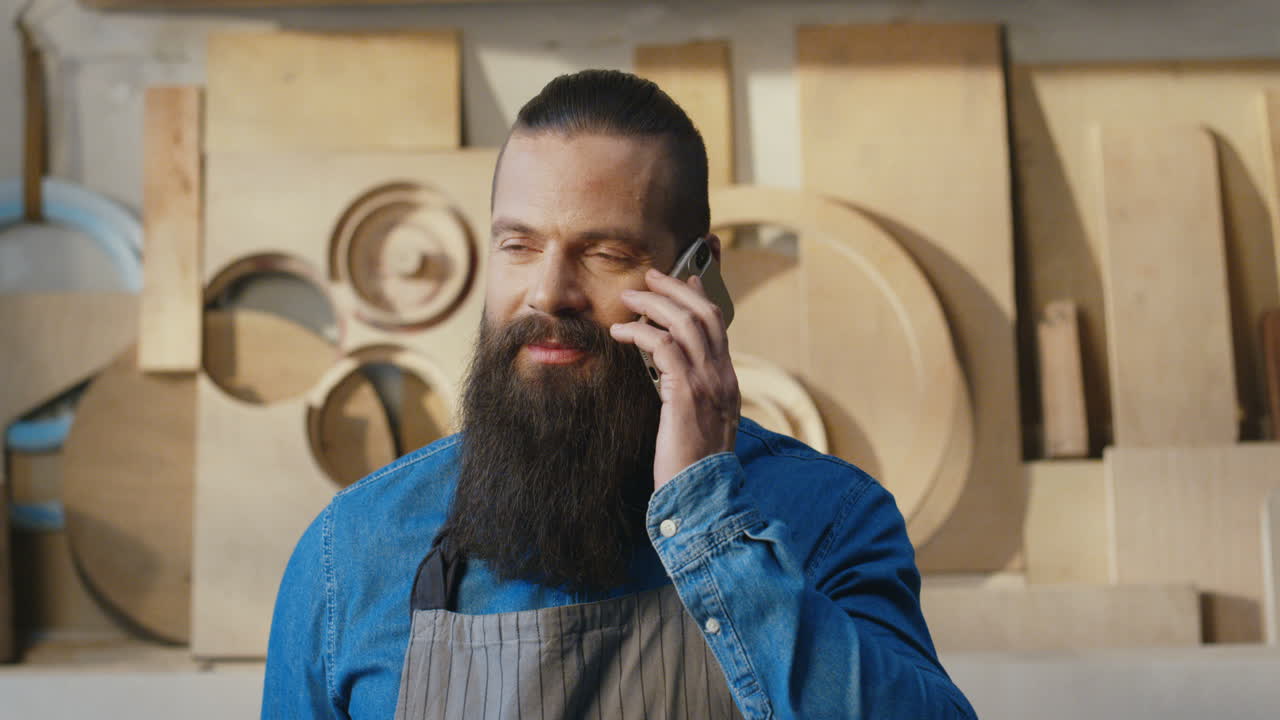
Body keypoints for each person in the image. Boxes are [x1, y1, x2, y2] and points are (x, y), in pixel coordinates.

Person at [262, 69, 976, 720]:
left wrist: (705, 518)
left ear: (696, 278)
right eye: (519, 245)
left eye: (607, 254)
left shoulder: (829, 521)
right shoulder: (353, 551)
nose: (548, 292)